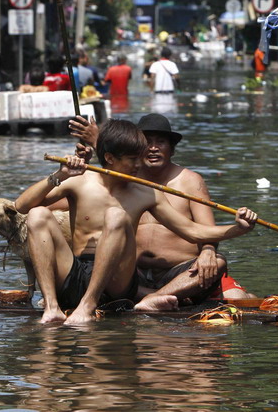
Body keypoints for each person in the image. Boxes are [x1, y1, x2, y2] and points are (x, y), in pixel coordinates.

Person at [15, 119, 258, 324]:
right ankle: (52, 308)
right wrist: (59, 175)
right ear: (109, 158)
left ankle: (88, 307)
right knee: (38, 214)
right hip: (78, 270)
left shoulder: (147, 192)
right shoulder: (80, 180)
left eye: (141, 157)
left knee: (116, 214)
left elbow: (193, 231)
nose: (140, 164)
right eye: (134, 159)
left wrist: (237, 229)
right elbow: (22, 206)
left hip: (118, 281)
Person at [69, 114, 255, 304]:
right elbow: (103, 170)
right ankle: (154, 298)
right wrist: (86, 156)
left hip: (181, 273)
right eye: (147, 142)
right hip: (133, 273)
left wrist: (208, 251)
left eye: (161, 142)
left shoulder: (190, 181)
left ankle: (154, 298)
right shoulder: (124, 178)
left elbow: (204, 230)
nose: (153, 148)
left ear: (172, 149)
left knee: (220, 266)